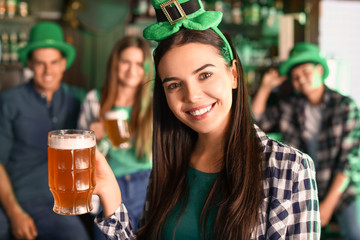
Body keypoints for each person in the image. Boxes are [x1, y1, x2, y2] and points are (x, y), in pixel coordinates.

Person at [91, 0, 320, 239]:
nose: (192, 96)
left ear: (233, 74)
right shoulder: (169, 163)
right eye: (174, 85)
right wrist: (111, 197)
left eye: (205, 75)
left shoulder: (291, 167)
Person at [252, 42, 360, 239]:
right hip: (304, 186)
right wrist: (266, 87)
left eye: (306, 71)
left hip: (341, 191)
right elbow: (257, 121)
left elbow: (350, 161)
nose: (301, 78)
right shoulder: (290, 107)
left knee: (354, 233)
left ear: (320, 69)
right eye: (295, 76)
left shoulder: (345, 106)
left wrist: (327, 205)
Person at [0, 22, 90, 240]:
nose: (48, 71)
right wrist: (15, 213)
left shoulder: (78, 98)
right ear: (29, 63)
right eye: (40, 63)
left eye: (53, 62)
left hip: (64, 200)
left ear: (63, 63)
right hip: (20, 198)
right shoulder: (9, 101)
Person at [77, 36, 153, 233]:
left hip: (146, 184)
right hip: (108, 184)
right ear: (115, 63)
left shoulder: (155, 103)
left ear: (146, 68)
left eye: (138, 63)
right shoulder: (94, 100)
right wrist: (93, 138)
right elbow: (79, 159)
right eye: (125, 62)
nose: (131, 69)